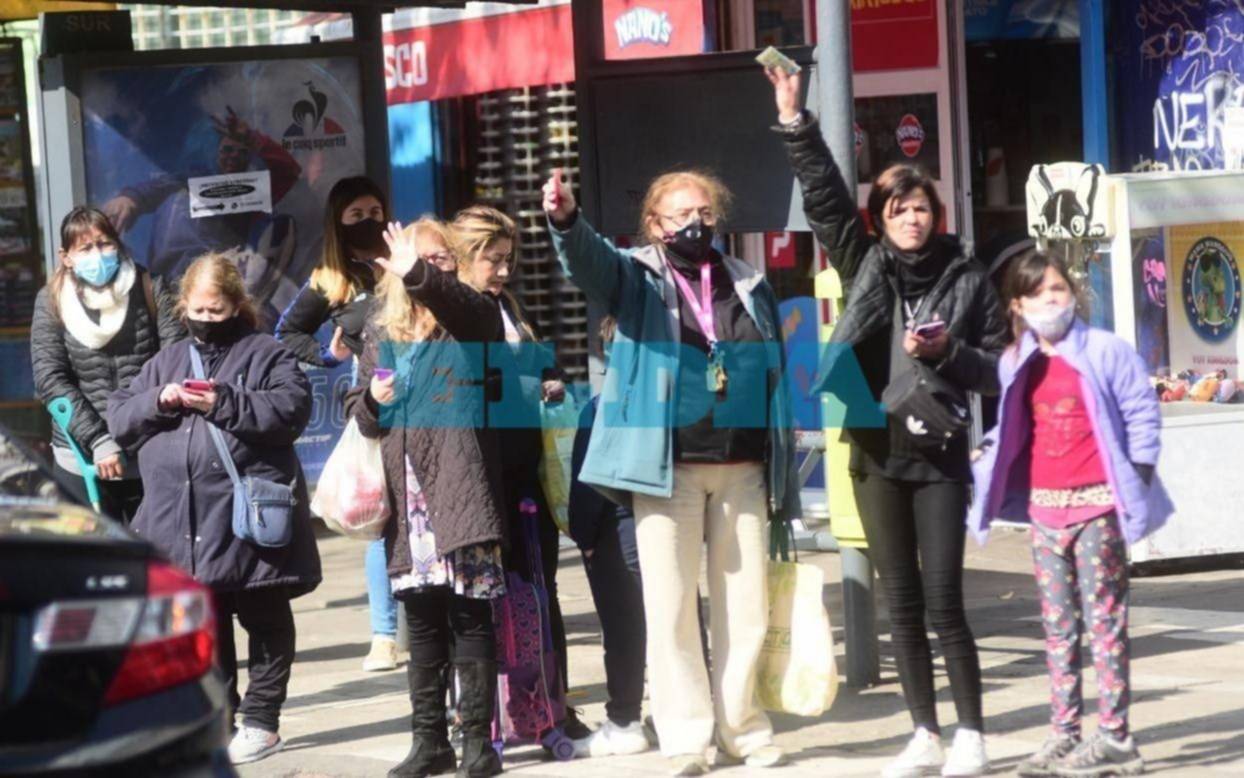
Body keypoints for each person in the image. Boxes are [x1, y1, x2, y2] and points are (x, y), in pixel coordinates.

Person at [768, 66, 1008, 778]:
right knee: (900, 604)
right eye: (899, 209)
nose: (912, 219)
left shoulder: (969, 279)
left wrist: (949, 350)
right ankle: (924, 733)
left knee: (944, 604)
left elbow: (999, 370)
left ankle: (972, 734)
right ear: (881, 218)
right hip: (874, 454)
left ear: (937, 214)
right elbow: (825, 199)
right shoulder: (864, 265)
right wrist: (796, 123)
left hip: (938, 460)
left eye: (921, 208)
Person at [543, 167, 799, 776]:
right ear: (655, 225)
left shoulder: (747, 280)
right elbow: (590, 264)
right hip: (669, 468)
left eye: (705, 212)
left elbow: (773, 366)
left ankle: (744, 730)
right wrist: (566, 221)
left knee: (746, 607)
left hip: (741, 465)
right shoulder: (637, 277)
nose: (695, 224)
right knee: (671, 606)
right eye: (681, 215)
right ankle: (686, 738)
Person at [107, 253, 322, 766]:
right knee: (206, 629)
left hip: (245, 521)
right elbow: (120, 416)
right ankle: (220, 722)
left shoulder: (266, 353)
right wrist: (159, 400)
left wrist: (222, 401)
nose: (206, 320)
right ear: (183, 307)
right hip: (182, 524)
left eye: (217, 311)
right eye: (198, 311)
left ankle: (262, 721)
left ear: (236, 306)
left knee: (265, 618)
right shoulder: (166, 360)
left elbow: (290, 410)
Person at [970, 252, 1173, 778]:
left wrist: (1138, 475)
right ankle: (1063, 734)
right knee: (1058, 629)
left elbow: (1141, 411)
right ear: (1018, 305)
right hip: (1044, 513)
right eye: (1037, 293)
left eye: (1057, 289)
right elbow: (1015, 425)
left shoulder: (1105, 350)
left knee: (1105, 624)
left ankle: (1116, 738)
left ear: (1073, 294)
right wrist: (987, 453)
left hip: (1097, 509)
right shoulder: (1015, 360)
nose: (1050, 300)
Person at [344, 222, 508, 778]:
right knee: (422, 623)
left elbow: (466, 309)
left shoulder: (471, 317)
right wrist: (372, 397)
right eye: (420, 259)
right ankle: (430, 742)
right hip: (409, 497)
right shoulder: (381, 327)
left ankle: (478, 744)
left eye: (441, 259)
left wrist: (418, 271)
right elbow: (362, 415)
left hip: (461, 487)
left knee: (470, 615)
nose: (431, 267)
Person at [276, 178, 457, 674]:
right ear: (337, 221)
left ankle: (438, 619)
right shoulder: (329, 279)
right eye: (355, 215)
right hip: (376, 406)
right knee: (384, 519)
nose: (368, 221)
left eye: (375, 211)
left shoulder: (403, 259)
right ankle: (385, 635)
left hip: (435, 398)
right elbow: (286, 331)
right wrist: (327, 355)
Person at [450, 205, 589, 740]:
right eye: (493, 260)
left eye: (508, 259)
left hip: (526, 473)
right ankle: (478, 717)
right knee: (476, 603)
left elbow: (540, 363)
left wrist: (551, 379)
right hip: (476, 478)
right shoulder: (451, 313)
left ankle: (551, 707)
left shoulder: (509, 305)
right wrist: (521, 386)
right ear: (463, 258)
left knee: (538, 591)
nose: (504, 271)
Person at [30, 206, 184, 522]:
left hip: (150, 454)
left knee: (156, 552)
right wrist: (99, 440)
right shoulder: (52, 300)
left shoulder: (150, 286)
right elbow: (50, 378)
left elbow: (175, 362)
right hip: (81, 462)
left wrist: (139, 426)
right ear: (66, 257)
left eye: (104, 244)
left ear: (118, 244)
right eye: (85, 248)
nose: (97, 255)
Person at [566, 315, 649, 759]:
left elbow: (589, 481)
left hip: (617, 530)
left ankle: (624, 719)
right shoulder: (668, 400)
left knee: (623, 630)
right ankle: (686, 711)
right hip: (666, 523)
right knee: (676, 622)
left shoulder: (600, 408)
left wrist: (584, 536)